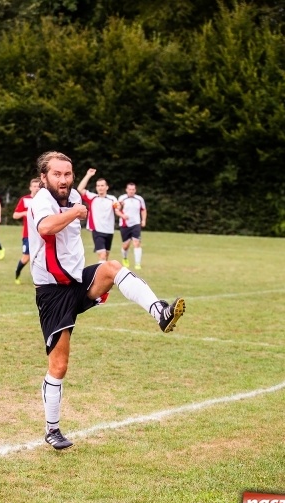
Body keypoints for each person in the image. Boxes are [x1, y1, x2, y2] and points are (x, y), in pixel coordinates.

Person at [27, 151, 185, 450]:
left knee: (112, 267)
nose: (63, 179)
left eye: (67, 174)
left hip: (78, 281)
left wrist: (78, 207)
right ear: (44, 176)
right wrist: (76, 211)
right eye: (57, 174)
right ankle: (52, 429)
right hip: (52, 291)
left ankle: (160, 312)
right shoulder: (41, 201)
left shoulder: (73, 194)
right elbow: (45, 228)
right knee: (59, 365)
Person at [76, 168, 122, 263]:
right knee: (102, 255)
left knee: (106, 256)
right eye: (98, 186)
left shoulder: (112, 198)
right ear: (96, 188)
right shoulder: (92, 197)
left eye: (102, 185)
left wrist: (119, 208)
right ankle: (99, 276)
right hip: (97, 230)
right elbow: (80, 189)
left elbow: (117, 207)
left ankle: (104, 275)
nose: (100, 187)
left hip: (109, 230)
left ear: (107, 187)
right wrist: (88, 175)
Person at [12, 177, 41, 284]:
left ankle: (40, 280)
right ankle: (17, 272)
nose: (36, 188)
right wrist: (25, 213)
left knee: (42, 257)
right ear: (30, 188)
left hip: (42, 234)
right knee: (26, 258)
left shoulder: (44, 200)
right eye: (34, 186)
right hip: (28, 235)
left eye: (38, 186)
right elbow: (15, 215)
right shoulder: (25, 200)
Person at [117, 182, 147, 270]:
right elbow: (117, 210)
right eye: (129, 189)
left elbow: (143, 210)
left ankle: (138, 264)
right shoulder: (122, 198)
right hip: (125, 224)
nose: (131, 191)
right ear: (126, 190)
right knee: (126, 245)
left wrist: (143, 220)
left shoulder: (139, 199)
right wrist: (122, 215)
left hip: (136, 224)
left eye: (133, 189)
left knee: (136, 243)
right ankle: (125, 258)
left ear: (135, 190)